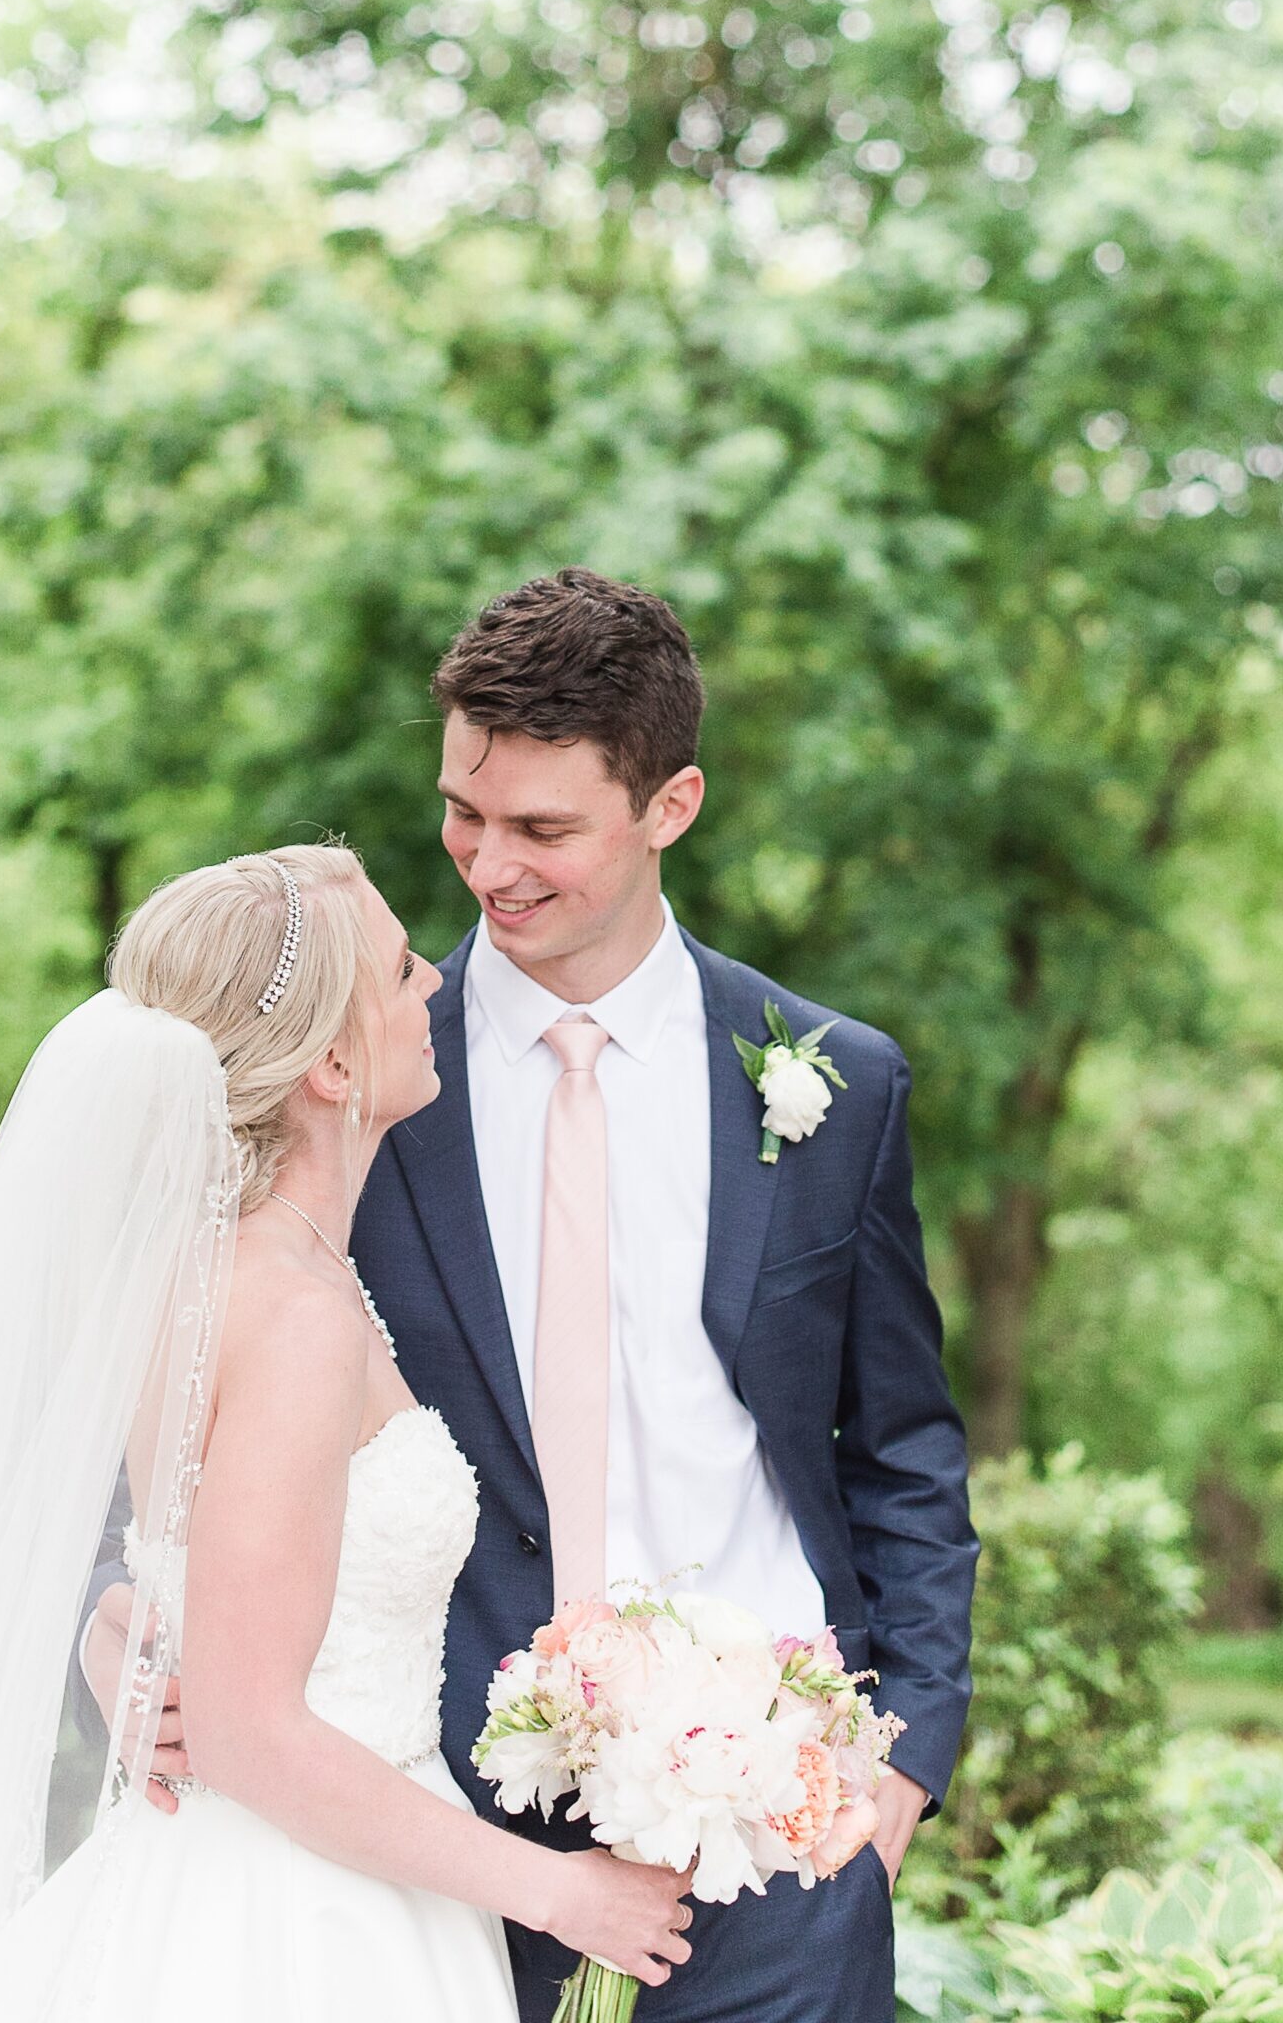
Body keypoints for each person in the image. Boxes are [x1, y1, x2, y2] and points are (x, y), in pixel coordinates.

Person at [0, 843, 690, 2023]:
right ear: (330, 1062)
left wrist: (125, 1629)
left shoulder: (226, 1275)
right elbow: (247, 1732)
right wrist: (558, 1893)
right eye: (395, 970)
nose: (432, 981)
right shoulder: (292, 1316)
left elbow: (191, 1597)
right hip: (304, 1921)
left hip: (307, 1871)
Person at [352, 570, 979, 2023]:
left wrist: (905, 1760)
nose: (486, 864)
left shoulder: (835, 1081)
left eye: (543, 829)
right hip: (438, 1830)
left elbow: (901, 1447)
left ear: (669, 807)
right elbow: (221, 1377)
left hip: (775, 1835)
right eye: (464, 811)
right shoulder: (365, 1079)